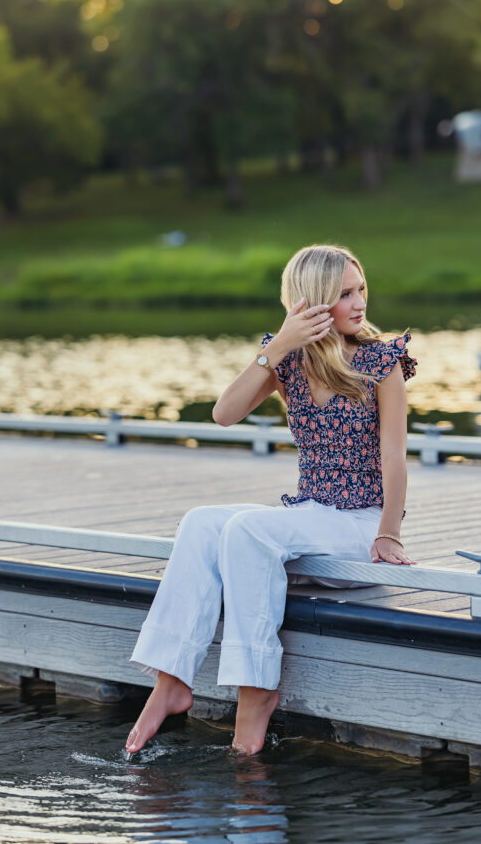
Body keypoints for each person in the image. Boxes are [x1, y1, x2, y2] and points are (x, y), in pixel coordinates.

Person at [125, 243, 417, 756]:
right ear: (312, 301)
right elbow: (223, 414)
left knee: (249, 530)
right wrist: (276, 347)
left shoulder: (381, 360)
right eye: (344, 294)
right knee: (200, 522)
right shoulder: (288, 360)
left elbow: (394, 456)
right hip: (310, 513)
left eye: (361, 289)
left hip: (358, 524)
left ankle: (256, 691)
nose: (359, 302)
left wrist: (387, 533)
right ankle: (171, 680)